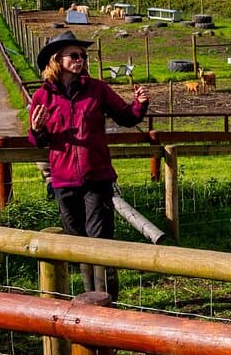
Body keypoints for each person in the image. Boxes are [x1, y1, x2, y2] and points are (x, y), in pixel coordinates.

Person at [28, 30, 149, 301]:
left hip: (97, 177)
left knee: (100, 241)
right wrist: (36, 129)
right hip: (64, 180)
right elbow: (39, 141)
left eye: (83, 55)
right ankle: (89, 299)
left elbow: (126, 117)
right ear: (56, 60)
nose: (80, 59)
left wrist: (139, 105)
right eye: (74, 55)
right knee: (79, 242)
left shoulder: (97, 89)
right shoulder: (42, 96)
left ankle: (107, 301)